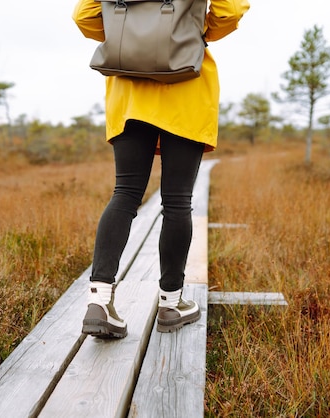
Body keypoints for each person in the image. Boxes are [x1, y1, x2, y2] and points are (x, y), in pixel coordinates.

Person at [73, 0, 250, 338]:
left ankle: (99, 301)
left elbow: (83, 16)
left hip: (129, 91)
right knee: (178, 201)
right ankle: (171, 303)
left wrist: (133, 38)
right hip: (185, 86)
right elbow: (230, 11)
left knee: (124, 194)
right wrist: (182, 34)